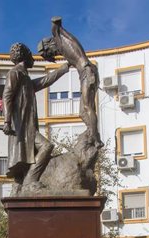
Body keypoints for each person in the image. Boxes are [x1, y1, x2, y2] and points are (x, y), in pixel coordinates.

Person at [2, 42, 69, 192]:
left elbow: (45, 81)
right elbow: (6, 96)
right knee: (46, 146)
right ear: (25, 56)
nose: (33, 58)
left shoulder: (25, 78)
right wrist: (7, 121)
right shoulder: (15, 73)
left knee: (33, 156)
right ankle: (30, 180)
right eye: (31, 55)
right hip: (22, 127)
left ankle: (25, 182)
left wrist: (64, 68)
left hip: (28, 126)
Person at [39, 16, 102, 148]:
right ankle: (93, 133)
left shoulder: (60, 39)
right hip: (88, 72)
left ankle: (96, 139)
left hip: (86, 71)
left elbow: (55, 26)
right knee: (83, 112)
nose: (54, 54)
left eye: (51, 53)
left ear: (49, 45)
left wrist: (55, 23)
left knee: (87, 107)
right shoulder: (67, 48)